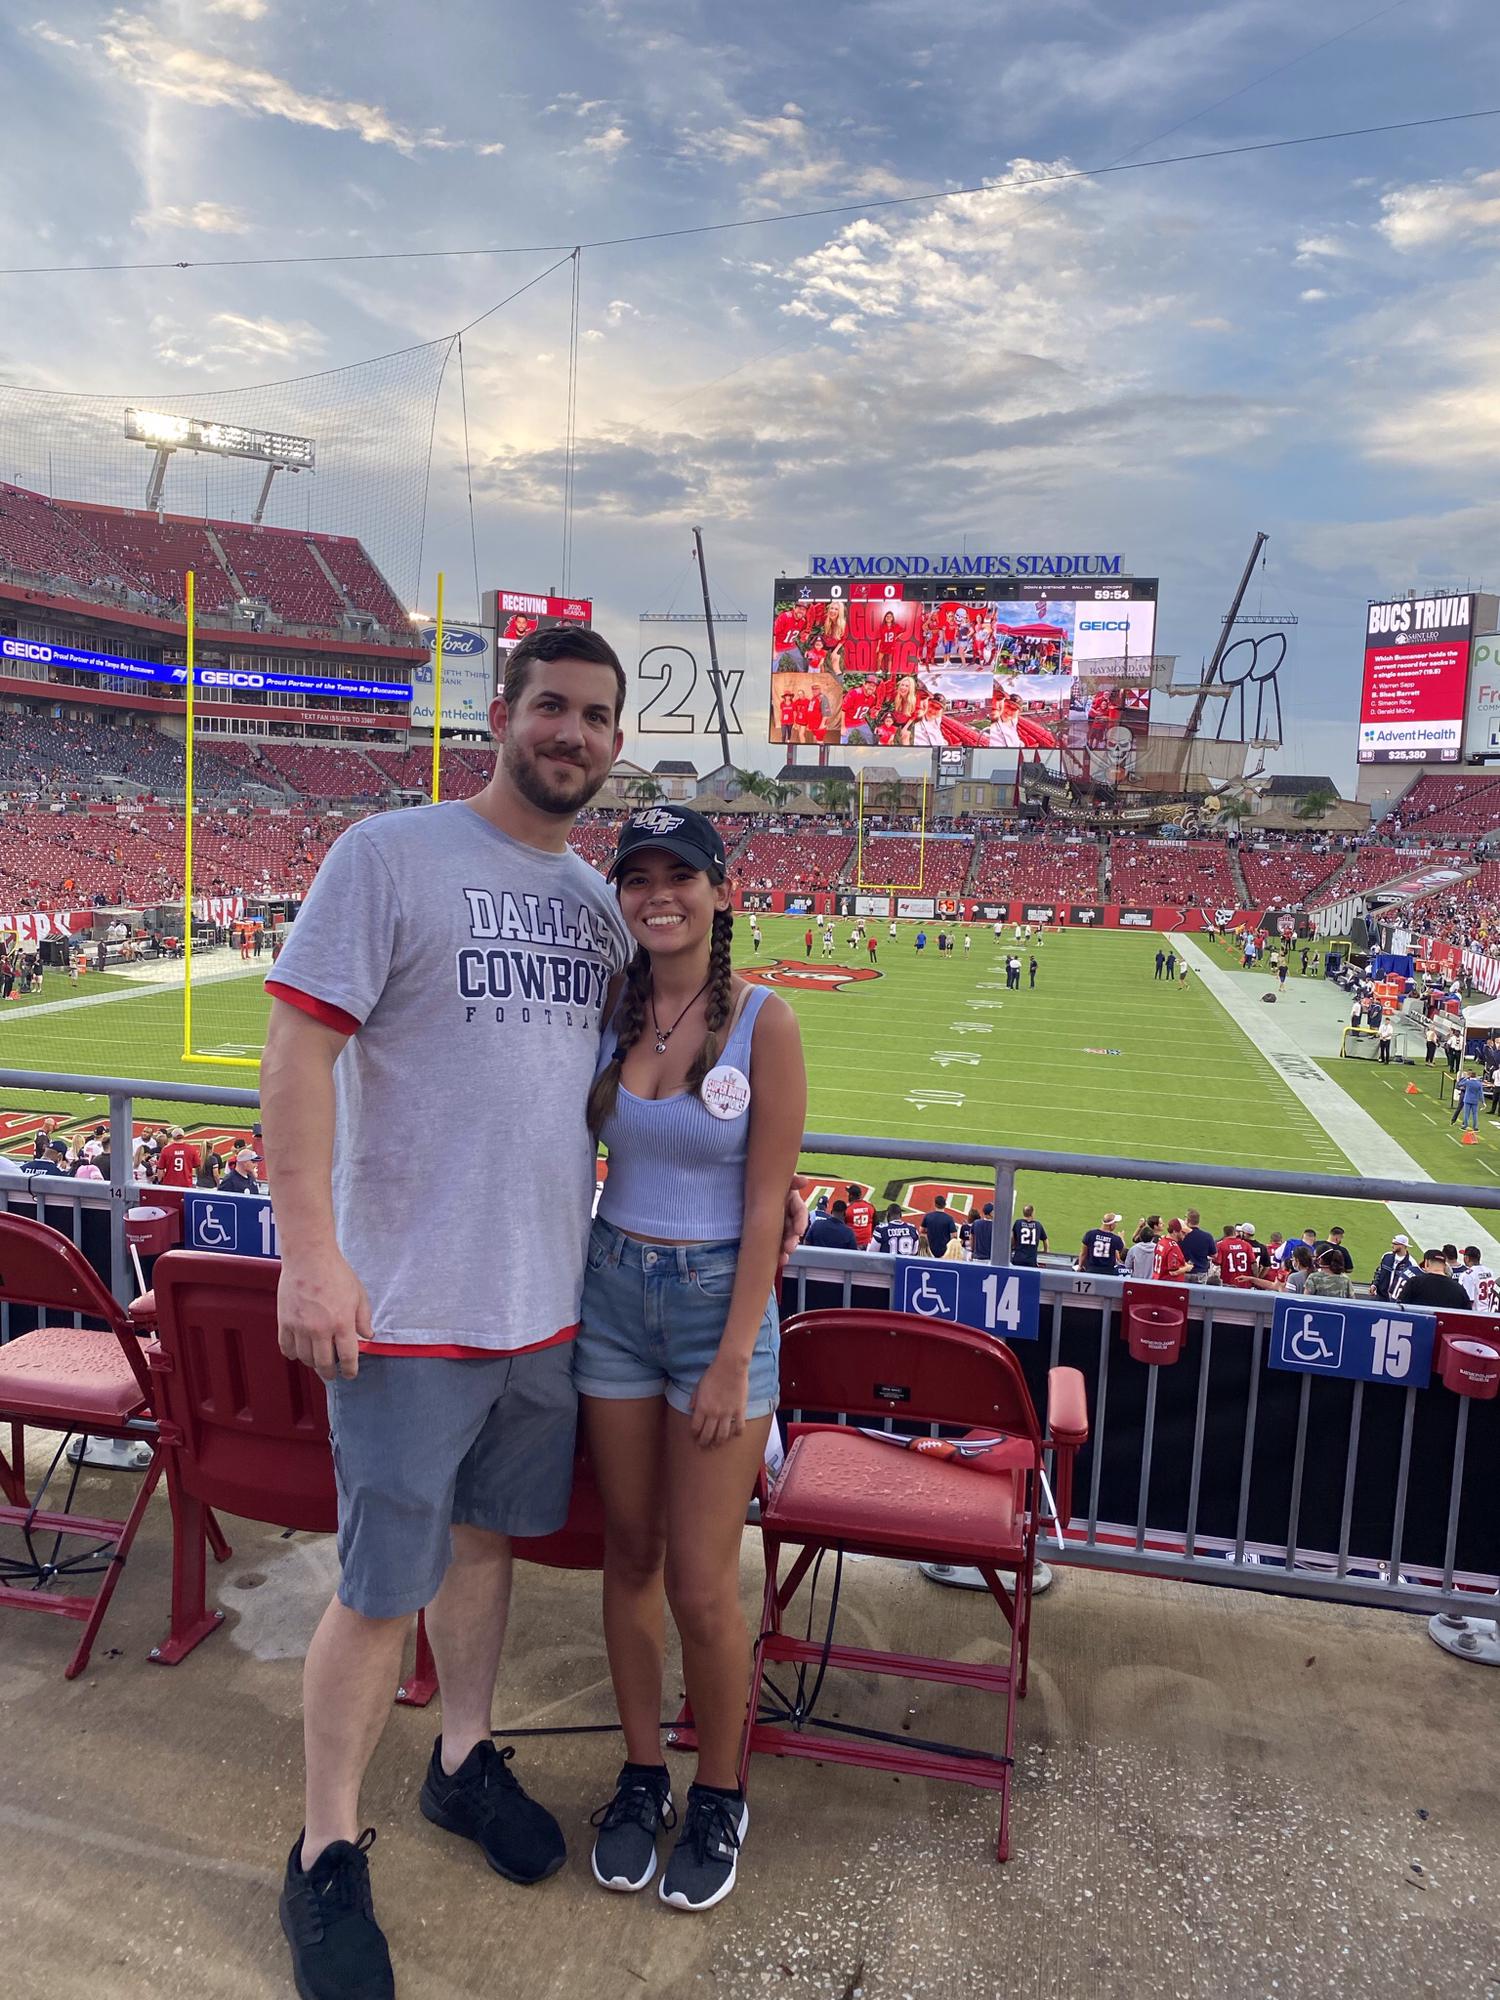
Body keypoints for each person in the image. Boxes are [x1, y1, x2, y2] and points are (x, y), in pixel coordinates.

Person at [260, 626, 789, 1996]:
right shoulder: (389, 853)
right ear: (503, 715)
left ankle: (459, 1760)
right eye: (551, 705)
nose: (573, 731)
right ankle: (323, 1856)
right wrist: (309, 1250)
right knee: (382, 1591)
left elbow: (670, 1067)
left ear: (616, 743)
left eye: (597, 716)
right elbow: (301, 1051)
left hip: (552, 1310)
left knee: (486, 1551)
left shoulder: (603, 906)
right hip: (410, 1303)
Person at [579, 806, 806, 1912]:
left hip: (718, 1300)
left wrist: (732, 1356)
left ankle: (720, 1786)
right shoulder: (611, 1010)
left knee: (703, 1580)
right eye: (638, 876)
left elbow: (767, 1203)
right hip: (612, 1287)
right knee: (628, 1551)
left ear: (719, 889)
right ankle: (639, 1771)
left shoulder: (767, 1020)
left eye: (679, 874)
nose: (657, 893)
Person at [1397, 1249, 1471, 1311]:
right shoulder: (1459, 1289)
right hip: (1446, 1327)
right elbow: (1466, 1315)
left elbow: (1400, 1308)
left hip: (1419, 1326)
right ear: (1445, 1266)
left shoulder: (1414, 1282)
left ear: (1426, 1263)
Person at [1371, 1233, 1418, 1301]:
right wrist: (1374, 1285)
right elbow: (1379, 1272)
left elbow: (1412, 1284)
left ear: (1403, 1245)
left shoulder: (1411, 1263)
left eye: (1395, 1244)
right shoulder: (1386, 1256)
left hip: (1397, 1300)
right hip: (1381, 1296)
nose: (1392, 1245)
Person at [1214, 1224, 1257, 1289]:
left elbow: (1217, 1263)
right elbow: (1253, 1263)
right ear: (1234, 1233)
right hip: (1245, 1283)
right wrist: (1255, 1278)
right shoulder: (1246, 1245)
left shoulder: (1221, 1245)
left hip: (1227, 1282)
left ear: (1225, 1234)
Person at [1179, 1208, 1215, 1280]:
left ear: (1187, 1220)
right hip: (1200, 1273)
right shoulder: (1207, 1236)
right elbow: (1214, 1254)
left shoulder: (1181, 1236)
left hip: (1184, 1272)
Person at [1459, 1245, 1497, 1312]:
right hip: (1492, 1311)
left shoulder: (1468, 1275)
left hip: (1478, 1313)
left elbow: (1469, 1299)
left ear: (1467, 1258)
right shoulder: (1490, 1271)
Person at [921, 1194, 958, 1258]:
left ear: (935, 1204)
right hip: (944, 1251)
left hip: (930, 1250)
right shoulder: (949, 1219)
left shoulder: (928, 1216)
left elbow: (922, 1230)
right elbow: (954, 1236)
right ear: (945, 1205)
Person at [843, 1184, 876, 1248]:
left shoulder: (848, 1209)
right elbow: (875, 1224)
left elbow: (842, 1226)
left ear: (851, 1196)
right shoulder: (870, 1207)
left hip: (853, 1244)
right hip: (867, 1244)